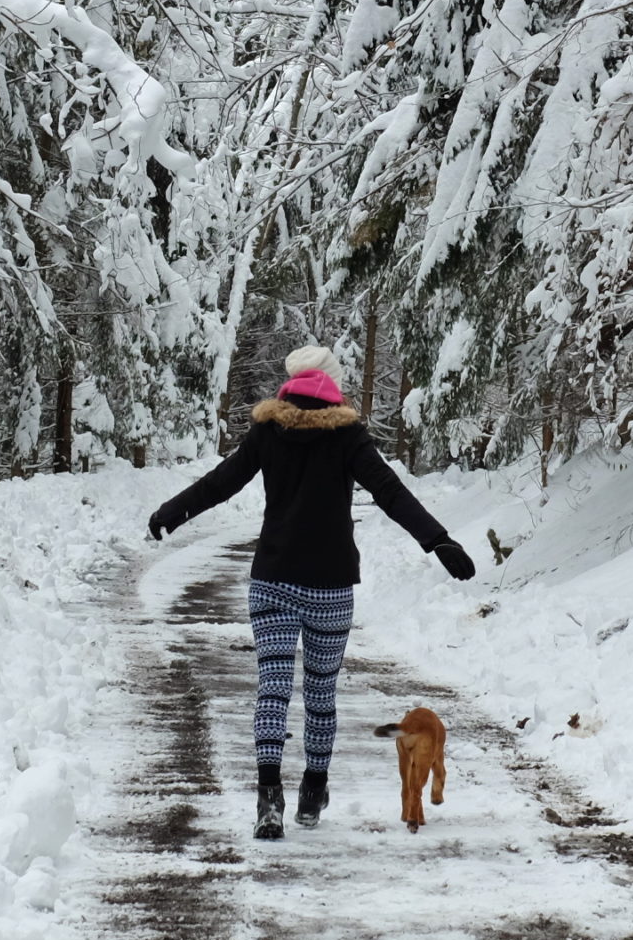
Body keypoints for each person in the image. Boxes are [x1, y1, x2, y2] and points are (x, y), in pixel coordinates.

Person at [147, 344, 477, 840]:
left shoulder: (267, 431)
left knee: (273, 689)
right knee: (320, 694)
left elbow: (223, 482)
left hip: (273, 580)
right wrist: (439, 540)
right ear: (330, 383)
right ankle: (312, 791)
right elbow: (390, 491)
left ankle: (267, 796)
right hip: (330, 585)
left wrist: (171, 511)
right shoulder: (348, 436)